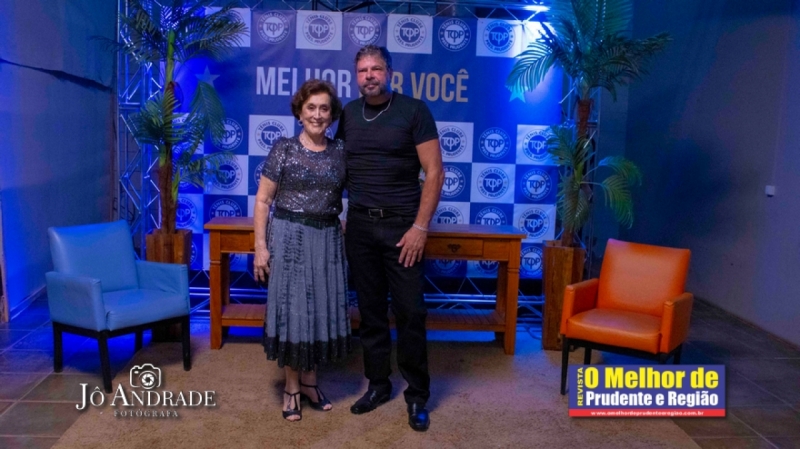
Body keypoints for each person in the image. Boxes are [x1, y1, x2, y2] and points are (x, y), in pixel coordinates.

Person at [335, 45, 444, 432]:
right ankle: (378, 385)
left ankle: (417, 395)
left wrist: (420, 228)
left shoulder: (414, 111)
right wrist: (341, 215)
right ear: (356, 76)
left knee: (411, 312)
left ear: (390, 73)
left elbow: (435, 172)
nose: (369, 75)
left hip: (403, 229)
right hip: (360, 228)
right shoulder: (348, 114)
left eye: (376, 69)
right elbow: (339, 168)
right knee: (370, 313)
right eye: (362, 70)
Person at [253, 79, 350, 422]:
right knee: (295, 313)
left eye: (324, 108)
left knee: (319, 311)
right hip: (290, 237)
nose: (317, 115)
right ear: (299, 112)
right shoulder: (283, 148)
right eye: (311, 108)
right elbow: (263, 201)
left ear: (332, 114)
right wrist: (260, 247)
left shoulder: (340, 150)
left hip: (327, 240)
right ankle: (291, 387)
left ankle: (310, 383)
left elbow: (352, 194)